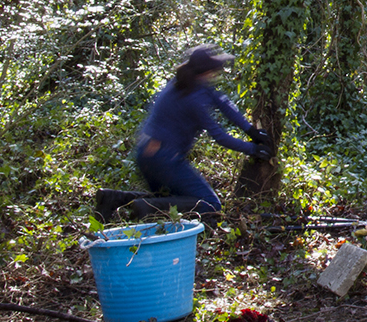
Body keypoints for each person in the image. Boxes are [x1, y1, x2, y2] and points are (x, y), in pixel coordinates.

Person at [93, 45, 273, 221]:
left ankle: (114, 199)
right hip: (165, 159)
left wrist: (250, 130)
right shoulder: (194, 98)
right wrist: (253, 149)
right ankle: (148, 208)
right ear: (205, 71)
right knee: (210, 205)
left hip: (146, 154)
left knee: (173, 197)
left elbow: (222, 103)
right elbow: (219, 136)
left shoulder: (185, 82)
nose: (216, 74)